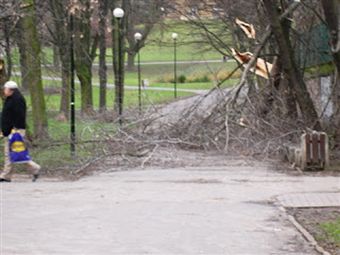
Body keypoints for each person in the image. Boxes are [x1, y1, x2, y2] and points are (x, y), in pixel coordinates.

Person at [0, 81, 40, 182]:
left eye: (5, 89)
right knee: (14, 152)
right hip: (11, 129)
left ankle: (6, 175)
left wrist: (13, 129)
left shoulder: (17, 100)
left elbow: (18, 116)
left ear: (11, 90)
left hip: (15, 130)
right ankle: (7, 175)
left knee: (13, 152)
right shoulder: (11, 99)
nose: (4, 91)